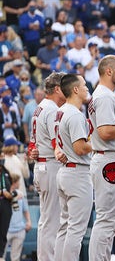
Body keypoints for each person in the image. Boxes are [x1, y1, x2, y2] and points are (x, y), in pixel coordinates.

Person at [87, 55, 115, 261]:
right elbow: (105, 132)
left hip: (109, 158)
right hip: (109, 159)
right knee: (106, 220)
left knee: (109, 222)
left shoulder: (103, 95)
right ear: (109, 71)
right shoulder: (104, 96)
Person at [54, 74, 93, 261]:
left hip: (65, 171)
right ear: (75, 89)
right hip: (77, 172)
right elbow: (80, 148)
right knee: (76, 230)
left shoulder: (60, 111)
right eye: (84, 85)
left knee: (65, 227)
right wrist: (99, 143)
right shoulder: (75, 114)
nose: (87, 88)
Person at [27, 72, 66, 261]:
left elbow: (32, 144)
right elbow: (56, 143)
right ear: (57, 89)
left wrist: (33, 152)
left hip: (42, 165)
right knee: (52, 221)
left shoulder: (40, 108)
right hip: (50, 166)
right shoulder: (51, 109)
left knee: (46, 220)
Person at [5, 173, 31, 261]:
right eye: (18, 181)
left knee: (15, 258)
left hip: (19, 229)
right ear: (14, 182)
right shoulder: (3, 194)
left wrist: (28, 221)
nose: (19, 184)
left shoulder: (21, 194)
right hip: (5, 231)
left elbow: (26, 210)